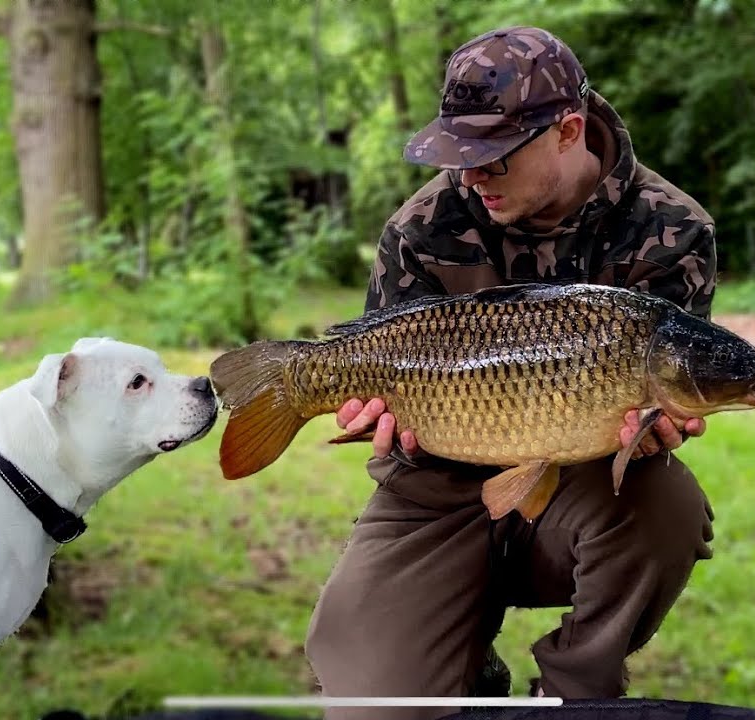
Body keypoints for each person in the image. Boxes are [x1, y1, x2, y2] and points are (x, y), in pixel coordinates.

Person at [302, 25, 718, 720]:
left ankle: (575, 693)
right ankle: (459, 654)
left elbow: (673, 379)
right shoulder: (422, 227)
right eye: (459, 155)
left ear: (568, 131)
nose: (470, 177)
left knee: (668, 506)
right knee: (371, 703)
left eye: (491, 157)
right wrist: (377, 417)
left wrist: (653, 425)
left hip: (585, 482)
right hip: (433, 486)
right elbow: (382, 363)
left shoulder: (671, 229)